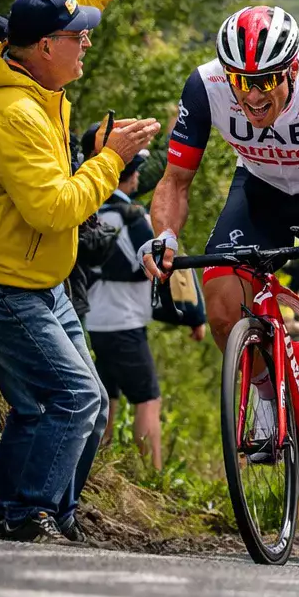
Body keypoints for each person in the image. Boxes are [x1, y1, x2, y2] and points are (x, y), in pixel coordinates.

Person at [143, 5, 299, 523]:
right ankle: (265, 391)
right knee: (220, 303)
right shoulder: (205, 86)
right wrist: (163, 235)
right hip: (260, 194)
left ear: (293, 70)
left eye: (265, 83)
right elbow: (175, 181)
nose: (252, 96)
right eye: (241, 82)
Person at [0, 0, 162, 541]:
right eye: (76, 37)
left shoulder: (32, 72)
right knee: (77, 396)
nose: (86, 41)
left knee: (74, 409)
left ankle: (26, 511)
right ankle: (29, 513)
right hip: (6, 282)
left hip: (44, 277)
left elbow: (73, 1)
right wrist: (108, 159)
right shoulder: (14, 113)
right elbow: (54, 209)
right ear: (43, 47)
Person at [83, 126, 187, 470]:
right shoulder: (131, 218)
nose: (139, 176)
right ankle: (152, 473)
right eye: (137, 170)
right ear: (128, 176)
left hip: (93, 318)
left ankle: (98, 465)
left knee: (106, 396)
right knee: (148, 400)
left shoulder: (88, 210)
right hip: (124, 319)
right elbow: (152, 266)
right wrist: (190, 314)